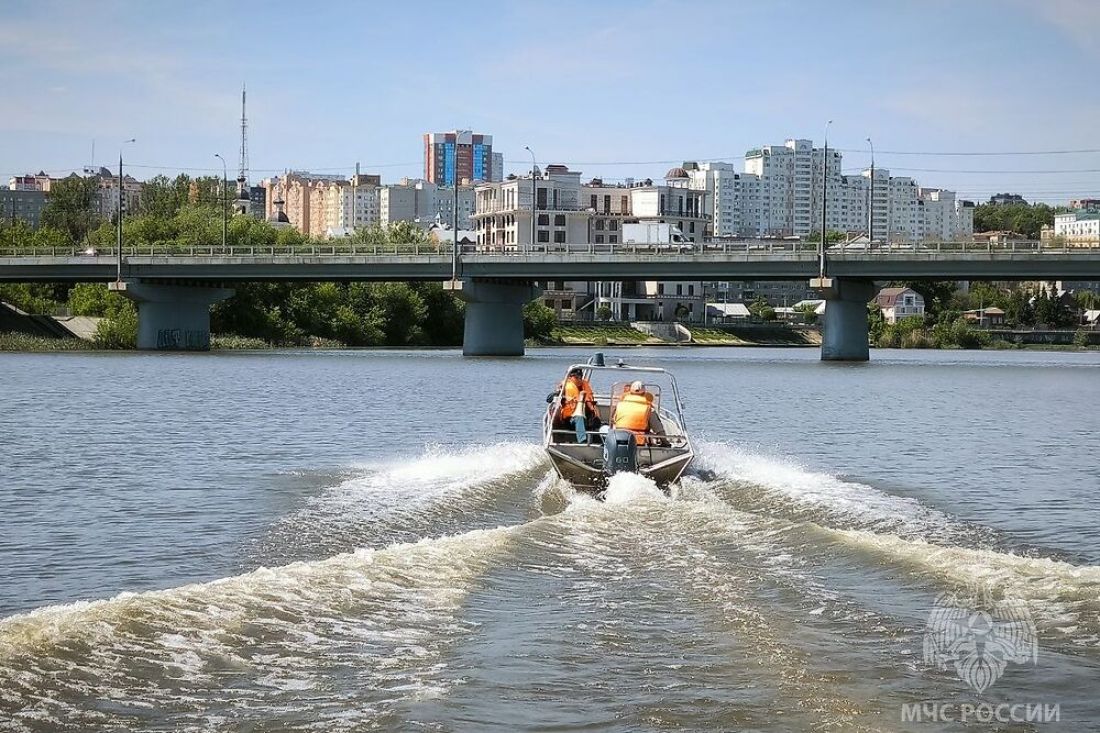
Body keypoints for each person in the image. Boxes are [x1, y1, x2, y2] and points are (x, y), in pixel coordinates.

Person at [559, 367, 598, 443]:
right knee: (579, 417)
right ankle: (582, 441)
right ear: (570, 377)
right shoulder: (566, 386)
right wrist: (557, 393)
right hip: (570, 418)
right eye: (576, 377)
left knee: (595, 420)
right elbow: (560, 391)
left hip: (585, 416)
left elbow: (590, 401)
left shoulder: (584, 385)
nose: (579, 379)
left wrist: (595, 413)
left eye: (580, 377)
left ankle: (599, 441)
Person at [612, 380, 653, 444]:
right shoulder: (649, 409)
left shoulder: (619, 406)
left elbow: (614, 421)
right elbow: (659, 430)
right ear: (645, 394)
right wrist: (666, 443)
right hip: (639, 442)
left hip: (619, 439)